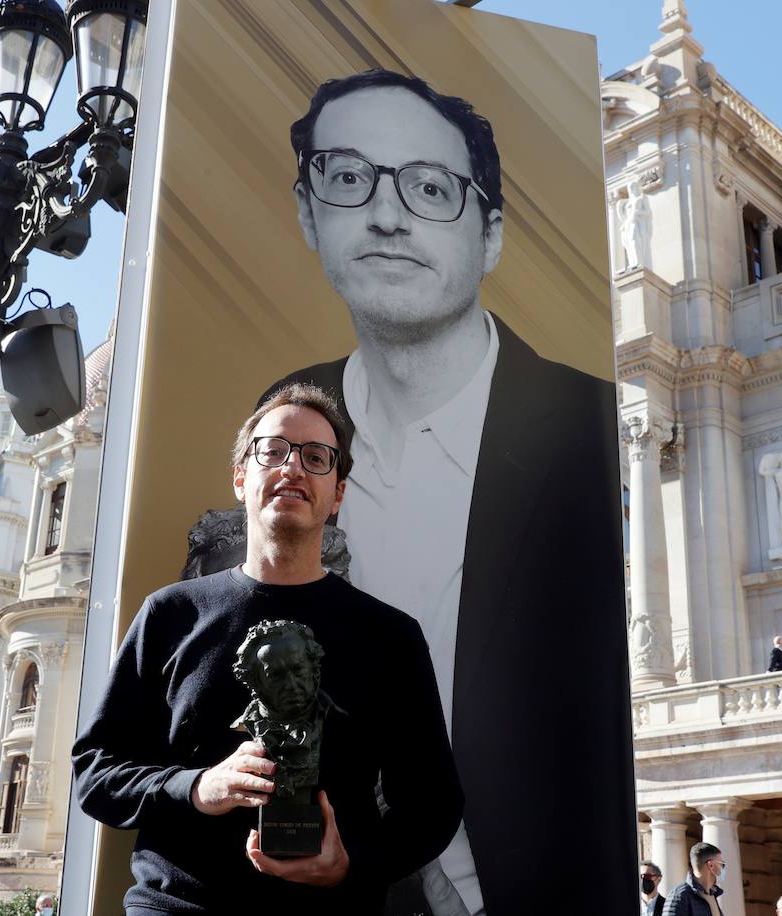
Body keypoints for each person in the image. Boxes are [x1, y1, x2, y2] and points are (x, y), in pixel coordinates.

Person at [262, 66, 630, 915]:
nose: (387, 215)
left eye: (430, 188)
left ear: (490, 234)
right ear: (309, 213)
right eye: (349, 178)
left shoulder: (591, 427)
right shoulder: (280, 426)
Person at [73, 385, 462, 915]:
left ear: (338, 492)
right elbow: (96, 771)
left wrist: (354, 863)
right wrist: (196, 788)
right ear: (241, 478)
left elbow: (433, 806)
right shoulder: (169, 615)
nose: (293, 468)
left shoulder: (390, 637)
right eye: (272, 451)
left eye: (316, 457)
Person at [661, 842, 725, 916]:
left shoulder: (713, 894)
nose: (723, 868)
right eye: (721, 864)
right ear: (711, 865)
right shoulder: (679, 895)